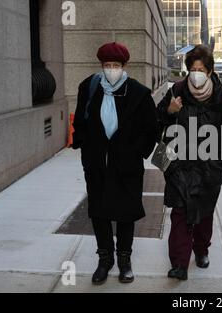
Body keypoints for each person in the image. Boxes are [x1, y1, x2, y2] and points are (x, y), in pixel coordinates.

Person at [72, 42, 158, 285]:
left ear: (124, 66)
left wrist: (136, 152)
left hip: (127, 166)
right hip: (97, 164)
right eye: (107, 65)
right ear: (101, 65)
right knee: (99, 212)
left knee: (126, 214)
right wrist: (86, 147)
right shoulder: (89, 87)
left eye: (116, 65)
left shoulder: (139, 93)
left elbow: (151, 129)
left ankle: (124, 259)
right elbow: (80, 121)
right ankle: (104, 258)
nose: (111, 69)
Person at [157, 45, 222, 280]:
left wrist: (219, 168)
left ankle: (201, 250)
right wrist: (169, 112)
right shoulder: (177, 91)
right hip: (179, 165)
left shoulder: (221, 97)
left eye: (200, 69)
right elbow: (155, 123)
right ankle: (179, 264)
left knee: (203, 213)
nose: (196, 73)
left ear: (210, 72)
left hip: (209, 167)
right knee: (180, 214)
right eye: (192, 69)